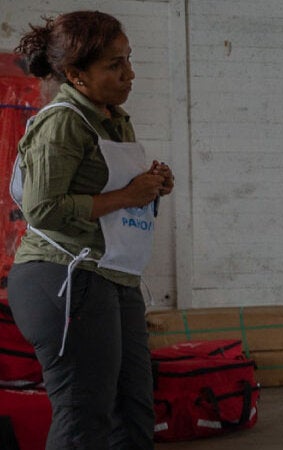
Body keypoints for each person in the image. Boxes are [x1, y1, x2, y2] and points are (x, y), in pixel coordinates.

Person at [8, 11, 171, 449]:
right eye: (115, 65)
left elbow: (109, 190)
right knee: (84, 417)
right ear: (76, 75)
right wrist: (128, 195)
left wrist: (151, 185)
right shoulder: (62, 121)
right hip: (63, 276)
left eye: (128, 59)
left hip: (112, 274)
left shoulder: (113, 119)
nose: (129, 74)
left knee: (133, 411)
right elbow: (43, 208)